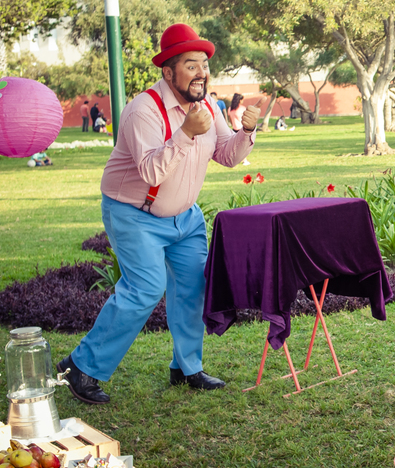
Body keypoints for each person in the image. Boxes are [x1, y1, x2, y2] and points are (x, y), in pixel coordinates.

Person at [57, 23, 259, 405]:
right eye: (190, 64)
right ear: (168, 72)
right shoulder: (143, 111)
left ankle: (186, 368)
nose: (201, 72)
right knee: (145, 289)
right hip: (135, 214)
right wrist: (184, 133)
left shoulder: (208, 107)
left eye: (204, 64)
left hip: (185, 217)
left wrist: (245, 133)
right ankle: (82, 366)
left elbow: (228, 157)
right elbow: (150, 171)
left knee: (193, 287)